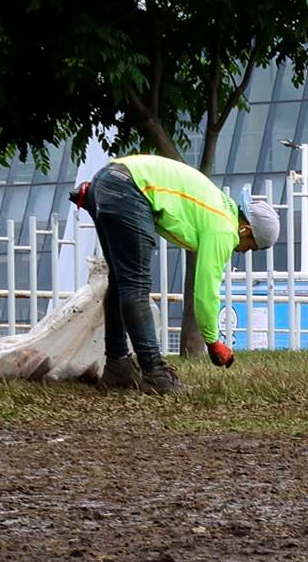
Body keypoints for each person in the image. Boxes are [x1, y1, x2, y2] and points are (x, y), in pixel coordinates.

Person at [73, 153, 279, 391]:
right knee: (135, 284)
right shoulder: (224, 229)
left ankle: (117, 369)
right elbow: (206, 291)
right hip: (130, 189)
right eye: (250, 246)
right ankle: (155, 373)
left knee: (121, 282)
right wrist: (213, 341)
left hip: (109, 179)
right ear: (245, 229)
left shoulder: (219, 206)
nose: (243, 251)